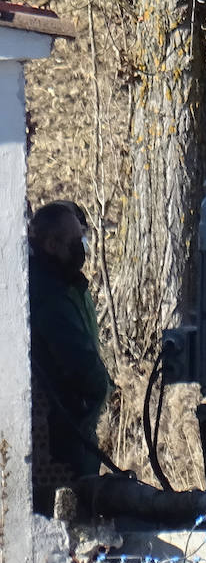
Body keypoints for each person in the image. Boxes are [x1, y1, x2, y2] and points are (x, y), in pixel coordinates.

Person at [28, 199, 113, 514]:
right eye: (76, 242)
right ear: (51, 244)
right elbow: (83, 367)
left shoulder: (64, 285)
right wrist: (96, 394)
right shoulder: (49, 296)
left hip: (68, 428)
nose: (84, 249)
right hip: (60, 439)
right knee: (68, 515)